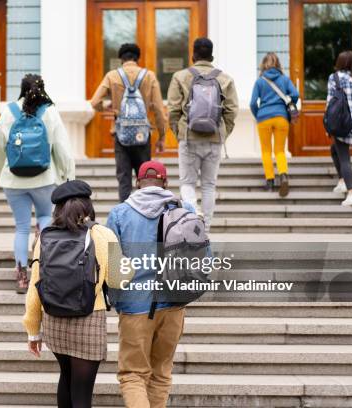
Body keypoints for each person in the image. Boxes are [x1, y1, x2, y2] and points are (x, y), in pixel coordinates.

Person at [23, 180, 120, 408]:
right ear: (88, 205)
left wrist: (32, 330)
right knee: (82, 393)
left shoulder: (45, 236)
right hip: (89, 318)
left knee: (66, 379)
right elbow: (118, 279)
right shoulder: (103, 234)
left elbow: (35, 284)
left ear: (57, 208)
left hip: (54, 320)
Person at [106, 160, 194, 408]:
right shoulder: (184, 209)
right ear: (165, 182)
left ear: (137, 183)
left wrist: (115, 299)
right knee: (161, 373)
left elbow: (111, 264)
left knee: (133, 375)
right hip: (174, 303)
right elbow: (203, 257)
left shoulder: (120, 213)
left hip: (135, 306)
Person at [0, 74, 75, 293]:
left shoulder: (9, 111)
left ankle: (21, 277)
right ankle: (44, 270)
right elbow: (62, 148)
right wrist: (67, 176)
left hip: (14, 179)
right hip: (44, 178)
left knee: (22, 227)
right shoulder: (50, 111)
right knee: (46, 218)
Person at [168, 37, 239, 232]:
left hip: (189, 138)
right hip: (214, 138)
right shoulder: (225, 78)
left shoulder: (181, 76)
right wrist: (223, 133)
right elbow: (232, 111)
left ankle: (192, 217)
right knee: (209, 185)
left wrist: (179, 133)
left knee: (187, 183)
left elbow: (173, 110)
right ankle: (205, 227)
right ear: (211, 55)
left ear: (194, 55)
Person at [90, 43, 167, 202]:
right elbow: (159, 109)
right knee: (146, 178)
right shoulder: (149, 76)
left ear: (121, 59)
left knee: (124, 179)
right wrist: (162, 137)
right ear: (137, 58)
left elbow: (94, 102)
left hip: (121, 134)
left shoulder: (112, 75)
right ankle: (145, 212)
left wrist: (107, 106)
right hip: (142, 135)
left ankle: (124, 215)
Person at [250, 52, 299, 196]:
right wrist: (289, 105)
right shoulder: (284, 79)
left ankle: (270, 181)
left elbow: (252, 102)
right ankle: (283, 175)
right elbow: (295, 94)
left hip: (263, 118)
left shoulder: (260, 81)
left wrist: (258, 114)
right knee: (279, 150)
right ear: (278, 64)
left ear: (263, 64)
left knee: (266, 151)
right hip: (281, 117)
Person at [327, 51, 352, 206]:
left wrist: (328, 125)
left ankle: (351, 192)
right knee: (334, 150)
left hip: (341, 123)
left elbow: (330, 102)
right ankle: (342, 181)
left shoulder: (334, 78)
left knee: (344, 158)